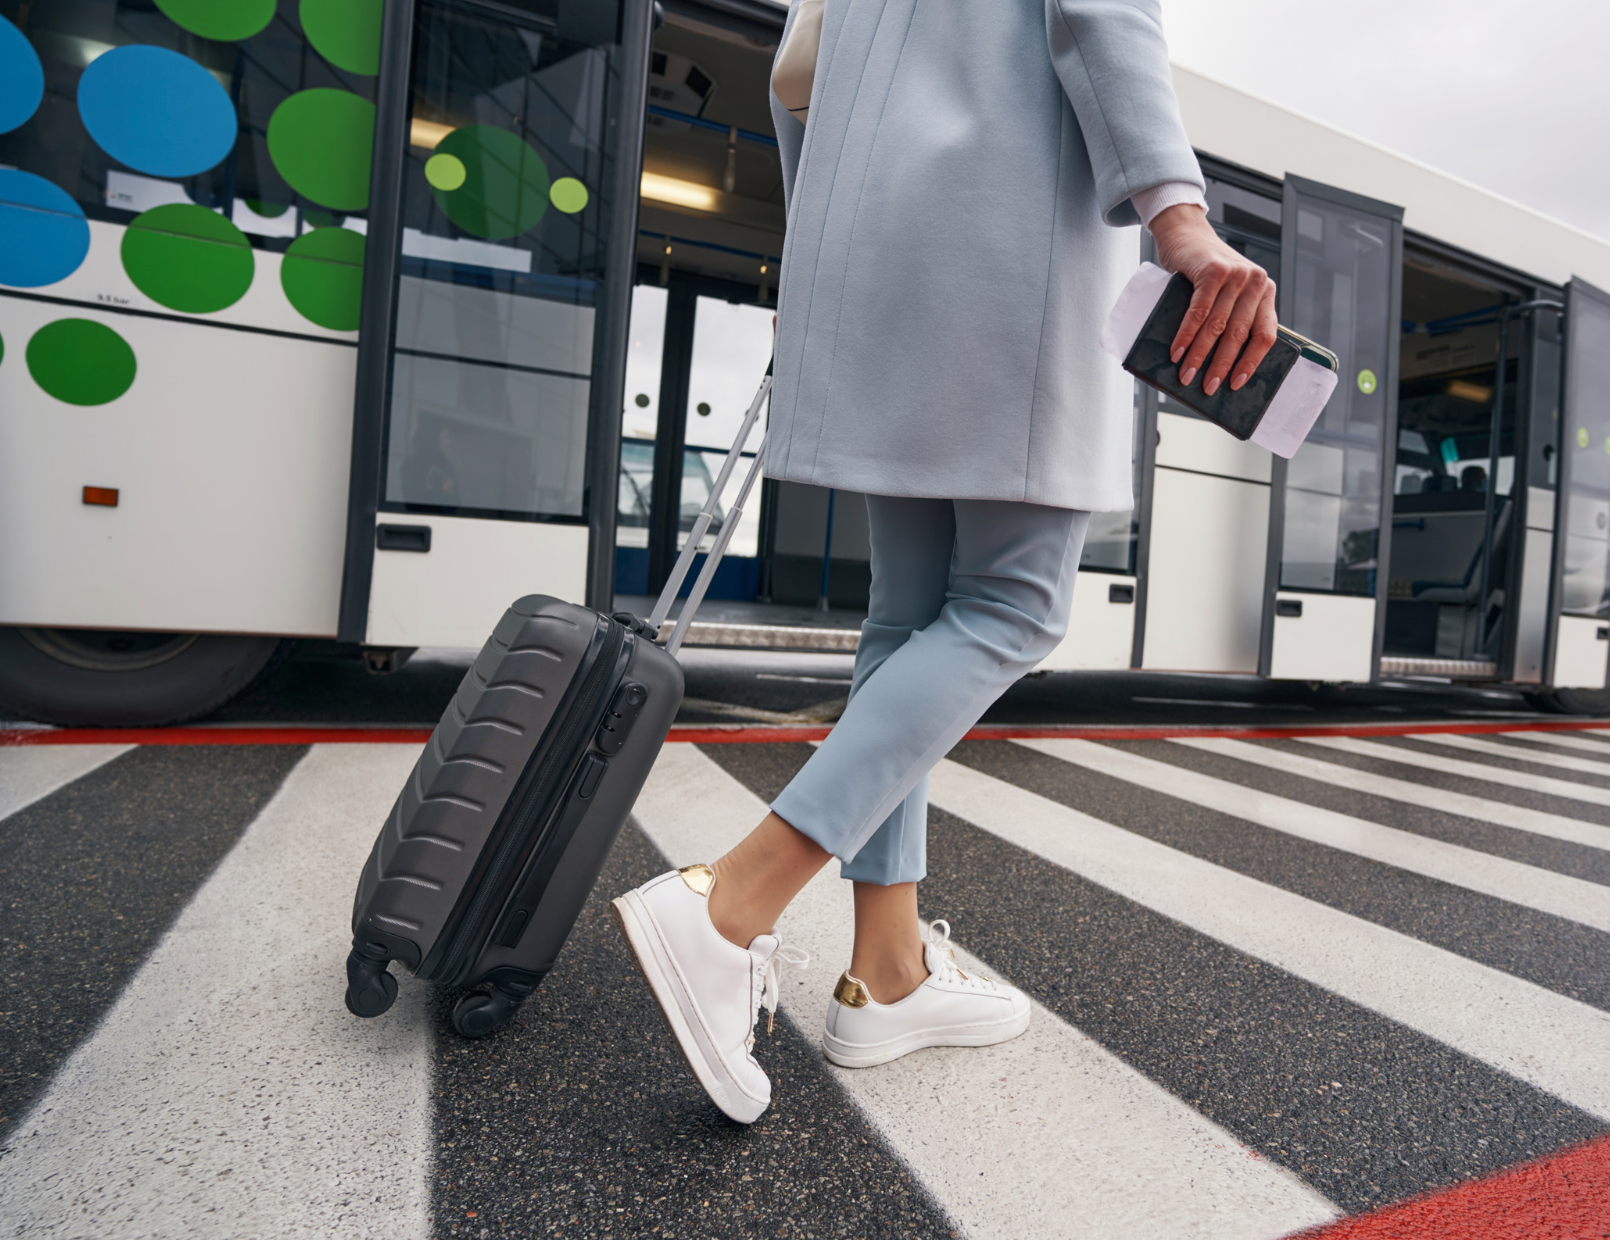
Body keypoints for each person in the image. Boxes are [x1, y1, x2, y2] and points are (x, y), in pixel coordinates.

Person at [611, 0, 1279, 1125]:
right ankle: (729, 902)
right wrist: (1179, 221)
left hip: (882, 255)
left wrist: (819, 262)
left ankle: (888, 972)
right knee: (1012, 607)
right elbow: (1100, 13)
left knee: (909, 616)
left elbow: (798, 71)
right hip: (1004, 245)